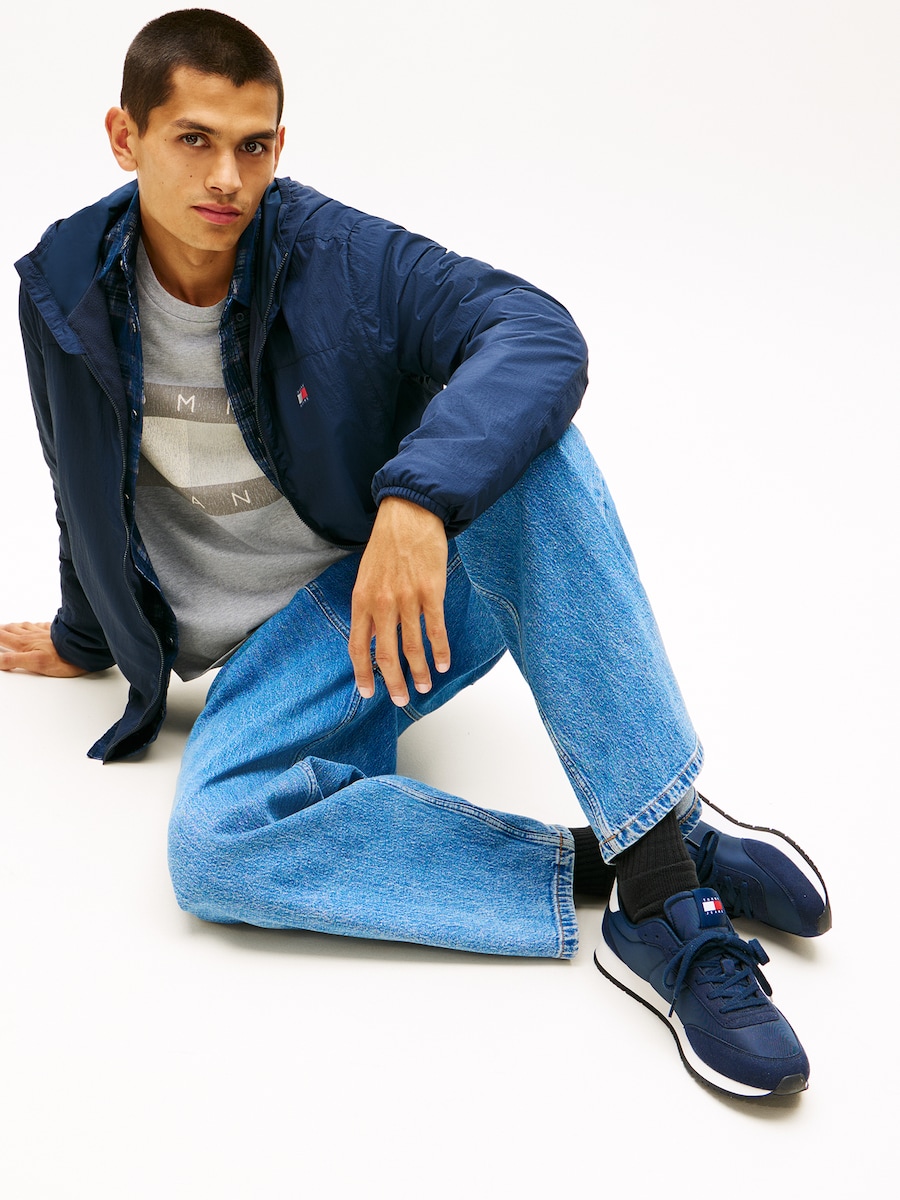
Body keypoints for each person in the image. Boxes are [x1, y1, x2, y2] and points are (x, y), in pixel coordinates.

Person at [1, 9, 830, 1099]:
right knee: (213, 851)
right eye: (193, 139)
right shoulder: (60, 289)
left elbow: (535, 331)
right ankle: (639, 850)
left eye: (254, 145)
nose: (228, 178)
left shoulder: (337, 256)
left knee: (536, 457)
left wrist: (416, 500)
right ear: (126, 137)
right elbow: (78, 472)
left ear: (280, 148)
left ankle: (665, 899)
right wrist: (85, 634)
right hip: (275, 664)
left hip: (403, 600)